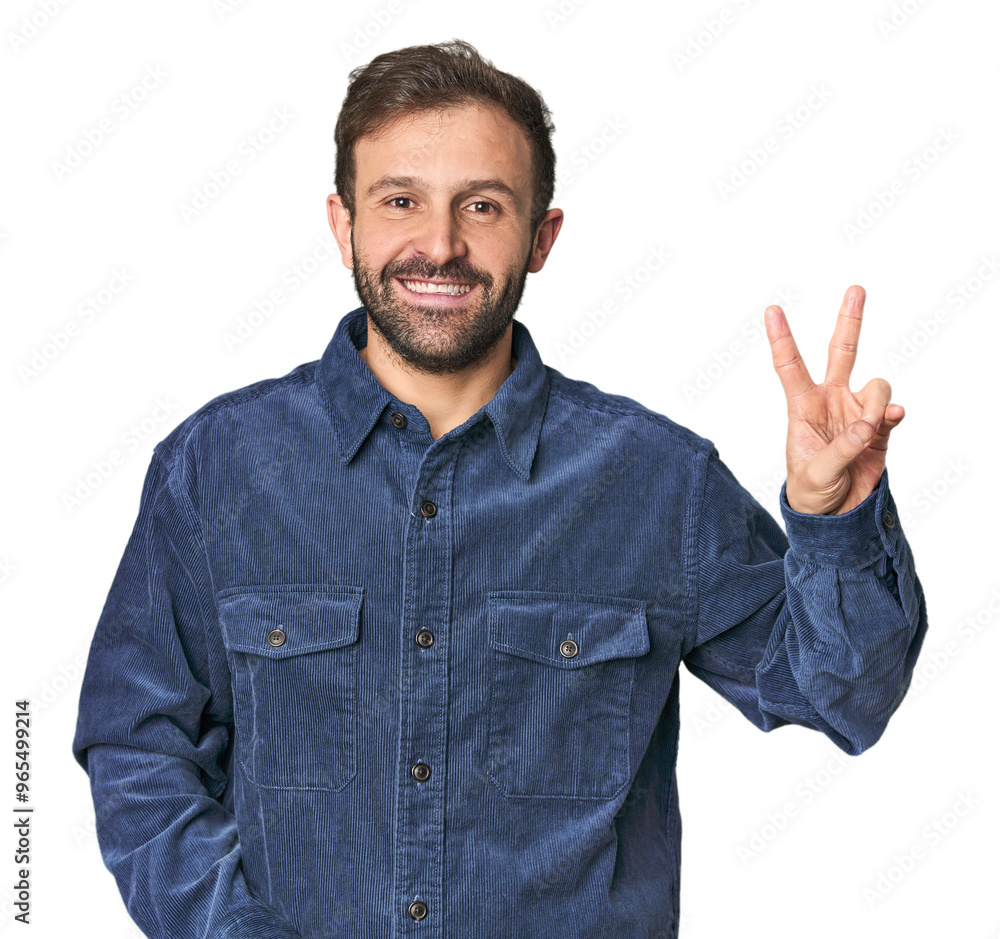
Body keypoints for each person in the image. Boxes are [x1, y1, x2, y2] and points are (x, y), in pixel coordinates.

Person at [72, 39, 927, 939]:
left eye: (482, 206)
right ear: (342, 224)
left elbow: (844, 698)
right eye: (400, 200)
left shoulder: (657, 481)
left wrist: (834, 521)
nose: (439, 245)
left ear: (541, 236)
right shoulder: (217, 469)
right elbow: (139, 746)